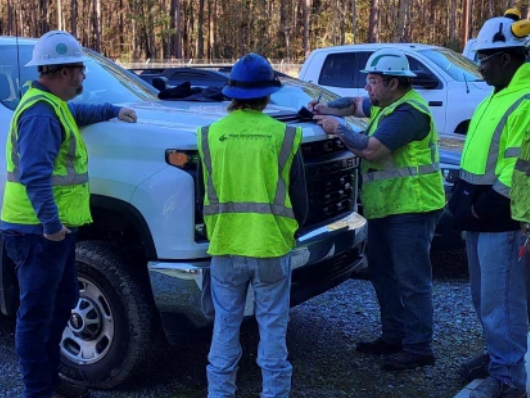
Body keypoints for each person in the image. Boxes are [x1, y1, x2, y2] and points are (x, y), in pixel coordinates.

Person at [0, 30, 137, 398]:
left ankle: (50, 381)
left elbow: (75, 112)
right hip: (37, 233)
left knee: (59, 306)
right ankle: (38, 391)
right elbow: (34, 175)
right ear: (63, 72)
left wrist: (112, 110)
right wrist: (52, 226)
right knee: (35, 316)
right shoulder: (40, 115)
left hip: (50, 233)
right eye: (80, 69)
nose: (83, 76)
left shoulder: (51, 104)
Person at [308, 48, 445, 370]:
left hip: (412, 208)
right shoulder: (388, 103)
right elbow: (355, 105)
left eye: (372, 82)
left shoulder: (408, 114)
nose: (367, 89)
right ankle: (394, 337)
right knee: (384, 275)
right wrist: (326, 107)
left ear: (393, 82)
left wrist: (336, 126)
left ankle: (419, 347)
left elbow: (370, 150)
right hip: (388, 208)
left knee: (412, 281)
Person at [197, 53, 308, 398]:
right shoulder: (285, 135)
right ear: (267, 94)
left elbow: (206, 192)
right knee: (273, 326)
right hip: (271, 247)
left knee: (225, 325)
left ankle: (220, 393)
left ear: (231, 94)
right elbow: (300, 201)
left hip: (226, 246)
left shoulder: (209, 135)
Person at [448, 15, 530, 398]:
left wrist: (483, 207)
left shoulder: (524, 102)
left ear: (507, 59)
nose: (479, 66)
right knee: (485, 299)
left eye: (485, 58)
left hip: (502, 222)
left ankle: (508, 379)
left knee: (503, 304)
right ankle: (498, 358)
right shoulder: (498, 97)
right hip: (481, 219)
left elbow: (516, 170)